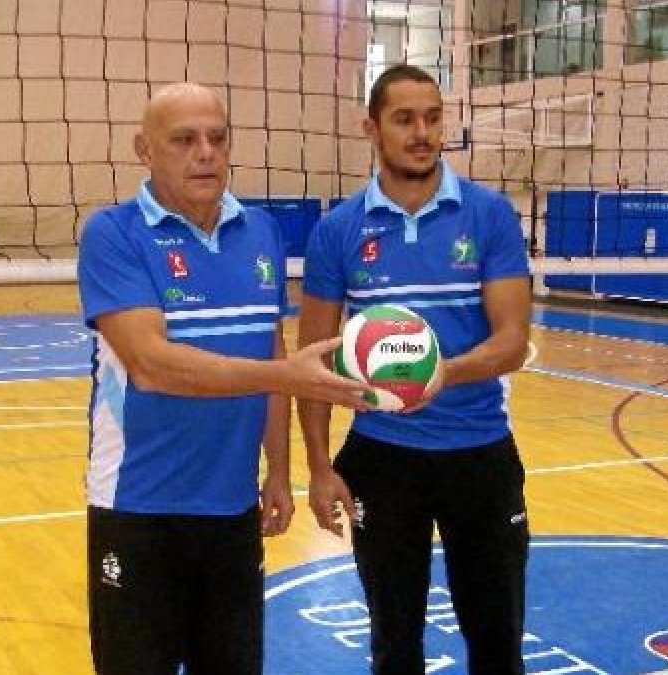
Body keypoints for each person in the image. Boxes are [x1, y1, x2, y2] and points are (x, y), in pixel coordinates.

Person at [77, 82, 369, 675]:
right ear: (144, 150)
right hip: (138, 508)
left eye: (217, 137)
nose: (205, 152)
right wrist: (286, 374)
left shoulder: (260, 231)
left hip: (232, 513)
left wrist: (279, 471)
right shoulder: (113, 234)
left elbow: (270, 349)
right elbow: (152, 365)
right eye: (184, 140)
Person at [297, 64, 534, 675]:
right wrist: (320, 467)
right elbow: (311, 361)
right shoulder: (338, 230)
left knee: (498, 643)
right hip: (383, 462)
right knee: (394, 644)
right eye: (404, 119)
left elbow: (512, 342)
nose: (422, 132)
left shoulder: (489, 214)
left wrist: (441, 374)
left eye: (432, 118)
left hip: (480, 454)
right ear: (371, 128)